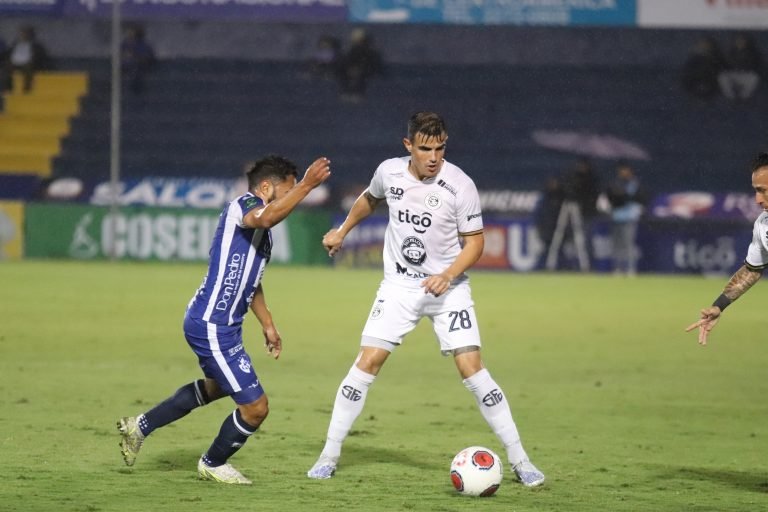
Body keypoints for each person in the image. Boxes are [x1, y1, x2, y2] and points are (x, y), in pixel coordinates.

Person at [306, 112, 545, 487]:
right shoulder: (389, 172)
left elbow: (476, 243)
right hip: (399, 288)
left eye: (440, 148)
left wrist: (447, 275)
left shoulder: (460, 184)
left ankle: (521, 459)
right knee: (367, 362)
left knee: (472, 368)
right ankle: (329, 454)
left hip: (449, 290)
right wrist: (342, 230)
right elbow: (370, 199)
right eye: (424, 149)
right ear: (408, 147)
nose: (433, 156)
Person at [117, 155, 331, 484]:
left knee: (215, 388)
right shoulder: (244, 205)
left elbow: (251, 281)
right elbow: (265, 216)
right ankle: (213, 462)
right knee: (256, 408)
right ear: (265, 187)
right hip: (212, 325)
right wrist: (306, 185)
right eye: (287, 191)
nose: (293, 199)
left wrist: (268, 324)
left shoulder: (266, 235)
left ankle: (139, 427)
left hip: (220, 325)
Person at [686, 152, 768, 345]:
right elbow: (752, 270)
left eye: (763, 190)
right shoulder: (763, 225)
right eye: (755, 191)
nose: (757, 199)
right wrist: (719, 306)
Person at [605, 162, 646, 276]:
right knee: (616, 244)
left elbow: (638, 198)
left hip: (629, 217)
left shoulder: (634, 183)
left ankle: (630, 269)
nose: (623, 172)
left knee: (628, 244)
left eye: (625, 170)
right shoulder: (615, 183)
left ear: (630, 171)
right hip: (616, 217)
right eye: (621, 170)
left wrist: (623, 195)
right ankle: (617, 268)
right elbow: (611, 197)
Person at [336, 28, 383, 102]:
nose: (359, 43)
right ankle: (347, 93)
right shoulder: (349, 53)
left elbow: (376, 68)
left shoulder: (372, 54)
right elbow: (343, 66)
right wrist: (350, 70)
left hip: (367, 79)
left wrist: (361, 70)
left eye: (361, 40)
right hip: (349, 81)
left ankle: (358, 93)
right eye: (356, 40)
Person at [2, 25, 51, 93]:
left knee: (28, 69)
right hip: (14, 62)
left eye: (25, 33)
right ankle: (8, 89)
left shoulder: (36, 45)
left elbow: (40, 56)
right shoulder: (16, 44)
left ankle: (26, 90)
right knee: (5, 70)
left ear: (31, 35)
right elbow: (9, 53)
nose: (23, 35)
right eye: (22, 33)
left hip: (28, 63)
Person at [718, 33, 764, 101]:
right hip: (733, 74)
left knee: (754, 77)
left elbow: (758, 65)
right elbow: (724, 64)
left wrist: (748, 66)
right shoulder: (730, 52)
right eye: (738, 41)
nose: (740, 42)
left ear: (746, 42)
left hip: (746, 75)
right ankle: (731, 97)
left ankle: (744, 97)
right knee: (722, 76)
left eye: (742, 41)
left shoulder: (753, 52)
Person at [681, 36, 727, 100]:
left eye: (707, 45)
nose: (705, 46)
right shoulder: (694, 59)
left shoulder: (717, 58)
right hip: (696, 85)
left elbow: (722, 70)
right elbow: (687, 75)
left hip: (713, 87)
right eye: (703, 44)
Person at [121, 25, 156, 95]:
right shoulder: (126, 44)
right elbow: (123, 57)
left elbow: (149, 58)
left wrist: (136, 58)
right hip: (130, 72)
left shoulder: (146, 46)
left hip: (141, 72)